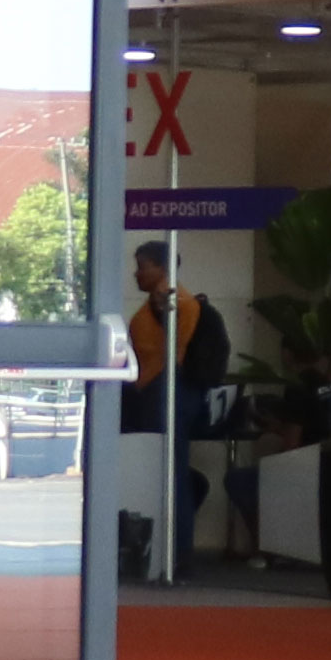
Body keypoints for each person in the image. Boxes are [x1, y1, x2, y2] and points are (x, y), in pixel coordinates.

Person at [118, 238, 229, 580]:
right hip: (160, 392)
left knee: (169, 472)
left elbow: (173, 354)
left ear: (161, 267)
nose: (137, 274)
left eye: (143, 266)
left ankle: (175, 553)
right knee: (167, 471)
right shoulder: (165, 303)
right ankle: (170, 550)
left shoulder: (175, 304)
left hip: (165, 393)